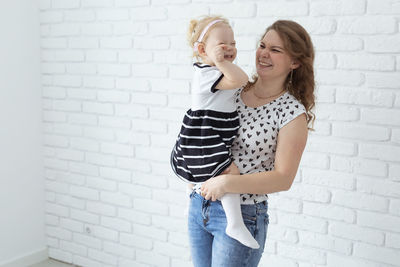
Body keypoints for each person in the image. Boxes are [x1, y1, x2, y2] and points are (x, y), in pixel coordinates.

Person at [188, 20, 316, 266]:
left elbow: (283, 178)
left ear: (295, 62)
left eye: (275, 50)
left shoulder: (291, 113)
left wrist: (226, 183)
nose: (264, 54)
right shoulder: (231, 87)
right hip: (200, 204)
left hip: (243, 214)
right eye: (262, 45)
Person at [170, 16, 260, 249]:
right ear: (202, 50)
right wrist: (222, 63)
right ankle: (235, 222)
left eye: (233, 43)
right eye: (222, 45)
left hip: (209, 132)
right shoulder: (208, 73)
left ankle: (192, 196)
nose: (230, 48)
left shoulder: (213, 71)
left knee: (203, 174)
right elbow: (241, 79)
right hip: (203, 134)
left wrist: (222, 61)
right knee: (229, 171)